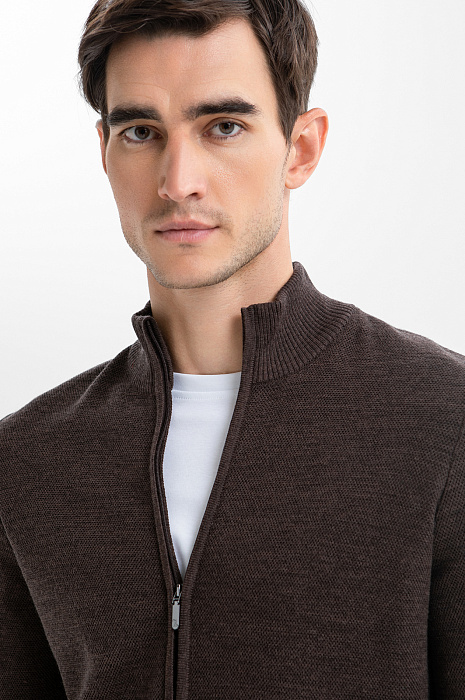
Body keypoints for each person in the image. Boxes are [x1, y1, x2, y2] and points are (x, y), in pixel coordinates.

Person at [1, 0, 464, 697]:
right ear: (104, 151)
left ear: (301, 148)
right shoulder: (27, 461)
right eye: (140, 132)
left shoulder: (442, 421)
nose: (177, 180)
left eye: (223, 126)